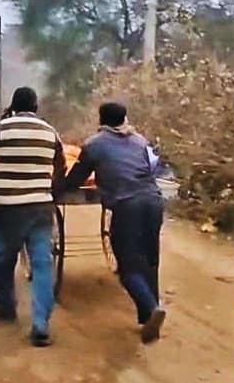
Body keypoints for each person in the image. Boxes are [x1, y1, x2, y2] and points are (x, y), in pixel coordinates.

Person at [61, 102, 166, 344]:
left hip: (127, 205)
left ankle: (151, 308)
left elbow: (76, 178)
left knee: (127, 266)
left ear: (101, 120)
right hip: (153, 201)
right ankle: (148, 319)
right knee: (150, 260)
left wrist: (56, 189)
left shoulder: (94, 144)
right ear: (124, 118)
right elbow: (153, 168)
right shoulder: (140, 140)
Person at [0, 87, 66, 347]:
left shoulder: (2, 128)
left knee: (4, 258)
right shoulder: (50, 132)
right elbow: (61, 166)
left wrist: (2, 120)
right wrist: (49, 189)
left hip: (8, 208)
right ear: (36, 107)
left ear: (12, 106)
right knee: (42, 263)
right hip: (40, 208)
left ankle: (7, 306)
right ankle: (41, 325)